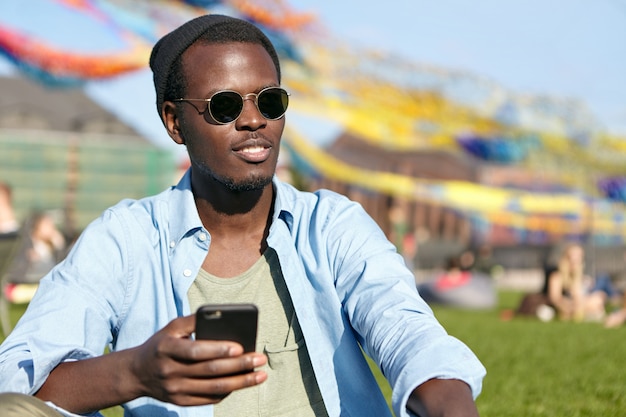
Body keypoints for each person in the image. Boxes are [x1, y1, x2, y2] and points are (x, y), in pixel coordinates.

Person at [0, 14, 485, 417]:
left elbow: (407, 331)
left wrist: (444, 395)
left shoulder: (333, 226)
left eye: (269, 101)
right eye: (224, 105)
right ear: (174, 122)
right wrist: (134, 373)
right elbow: (16, 384)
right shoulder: (126, 238)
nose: (254, 120)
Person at [546, 243, 608, 322]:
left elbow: (579, 297)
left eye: (580, 256)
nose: (577, 259)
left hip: (579, 304)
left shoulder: (581, 277)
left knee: (598, 297)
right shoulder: (557, 276)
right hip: (566, 305)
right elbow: (555, 298)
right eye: (574, 255)